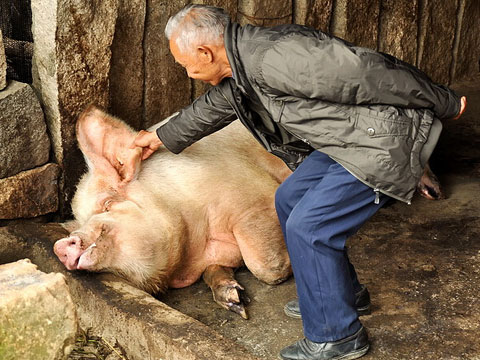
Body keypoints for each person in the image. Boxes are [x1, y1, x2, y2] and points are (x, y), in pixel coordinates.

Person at [122, 4, 467, 360]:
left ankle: (338, 335)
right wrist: (157, 138)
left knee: (310, 227)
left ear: (205, 53)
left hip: (381, 141)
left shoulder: (275, 57)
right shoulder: (243, 64)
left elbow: (369, 71)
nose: (187, 71)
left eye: (184, 64)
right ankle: (342, 295)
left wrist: (444, 101)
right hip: (350, 140)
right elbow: (214, 107)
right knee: (289, 197)